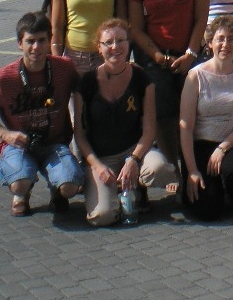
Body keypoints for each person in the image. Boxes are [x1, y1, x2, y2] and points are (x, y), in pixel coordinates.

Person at [73, 17, 176, 226]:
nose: (115, 47)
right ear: (99, 48)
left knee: (160, 170)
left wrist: (134, 160)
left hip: (133, 150)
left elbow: (149, 130)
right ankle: (118, 193)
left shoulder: (142, 79)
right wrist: (98, 166)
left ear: (129, 44)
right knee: (102, 217)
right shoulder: (86, 83)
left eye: (121, 41)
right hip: (102, 157)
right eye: (108, 42)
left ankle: (136, 186)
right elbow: (80, 135)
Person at [127, 0, 210, 169]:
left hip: (188, 56)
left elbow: (201, 19)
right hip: (154, 61)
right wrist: (157, 56)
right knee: (163, 116)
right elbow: (135, 29)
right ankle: (173, 165)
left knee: (192, 114)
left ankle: (192, 164)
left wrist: (190, 54)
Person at [0, 12, 84, 216]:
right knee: (19, 182)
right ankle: (22, 192)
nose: (36, 47)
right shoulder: (4, 78)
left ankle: (57, 189)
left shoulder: (64, 68)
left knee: (71, 185)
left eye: (41, 40)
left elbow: (85, 93)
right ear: (20, 43)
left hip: (54, 141)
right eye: (30, 41)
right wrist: (5, 134)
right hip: (18, 144)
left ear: (49, 41)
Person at [179, 16, 233, 219]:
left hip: (231, 142)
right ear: (210, 43)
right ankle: (196, 188)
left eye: (231, 39)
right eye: (220, 39)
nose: (225, 44)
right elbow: (185, 126)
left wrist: (223, 148)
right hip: (200, 143)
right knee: (207, 212)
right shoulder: (195, 76)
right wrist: (192, 170)